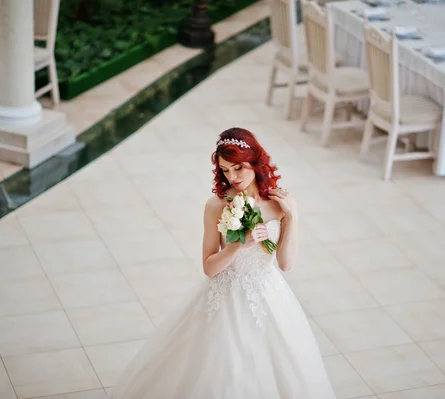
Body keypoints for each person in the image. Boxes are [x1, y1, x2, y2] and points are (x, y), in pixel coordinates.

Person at [109, 127, 336, 399]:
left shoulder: (280, 204)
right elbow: (209, 267)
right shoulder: (216, 205)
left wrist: (293, 216)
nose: (233, 177)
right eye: (226, 170)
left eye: (238, 168)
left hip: (269, 296)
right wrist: (240, 243)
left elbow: (285, 264)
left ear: (255, 162)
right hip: (224, 296)